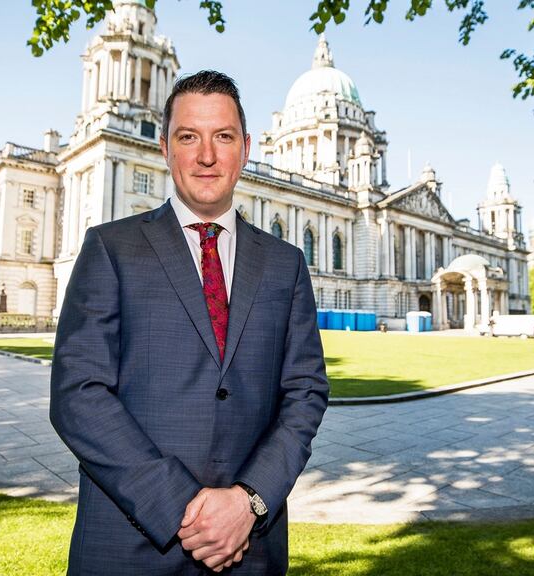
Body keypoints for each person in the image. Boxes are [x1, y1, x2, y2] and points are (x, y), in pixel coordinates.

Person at [49, 70, 329, 575]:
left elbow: (305, 392)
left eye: (222, 137)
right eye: (188, 137)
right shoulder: (110, 248)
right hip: (130, 546)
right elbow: (78, 394)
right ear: (164, 147)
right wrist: (182, 506)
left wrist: (248, 501)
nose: (206, 155)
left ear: (246, 148)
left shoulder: (285, 264)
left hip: (250, 549)